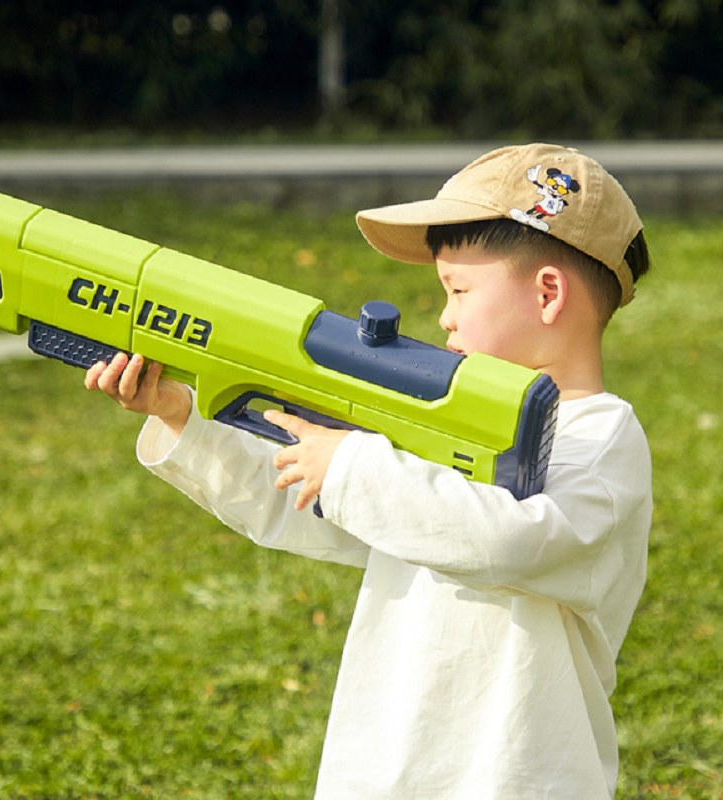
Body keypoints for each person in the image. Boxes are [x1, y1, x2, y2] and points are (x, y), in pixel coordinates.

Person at [85, 143, 652, 800]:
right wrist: (181, 417)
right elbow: (311, 498)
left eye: (458, 289)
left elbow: (512, 539)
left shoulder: (602, 438)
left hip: (518, 778)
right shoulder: (440, 435)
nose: (445, 317)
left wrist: (351, 464)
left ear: (548, 293)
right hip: (387, 767)